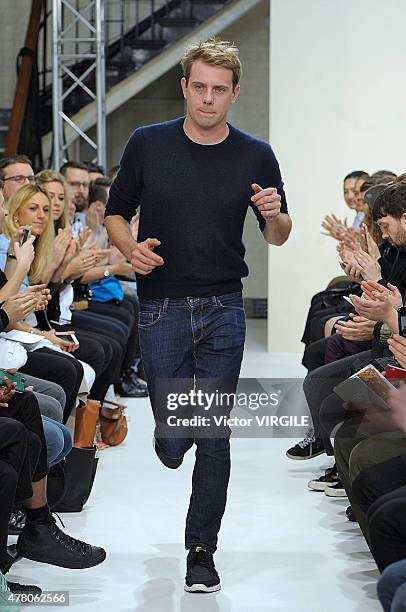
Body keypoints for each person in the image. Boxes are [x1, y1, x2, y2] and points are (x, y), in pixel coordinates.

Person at [105, 37, 291, 593]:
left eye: (220, 90)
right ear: (184, 87)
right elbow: (116, 213)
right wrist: (129, 247)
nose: (208, 99)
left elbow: (278, 236)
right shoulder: (147, 143)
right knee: (172, 437)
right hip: (160, 305)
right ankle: (168, 432)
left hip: (223, 306)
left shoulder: (256, 155)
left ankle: (202, 552)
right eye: (199, 88)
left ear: (235, 93)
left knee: (213, 432)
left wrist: (275, 214)